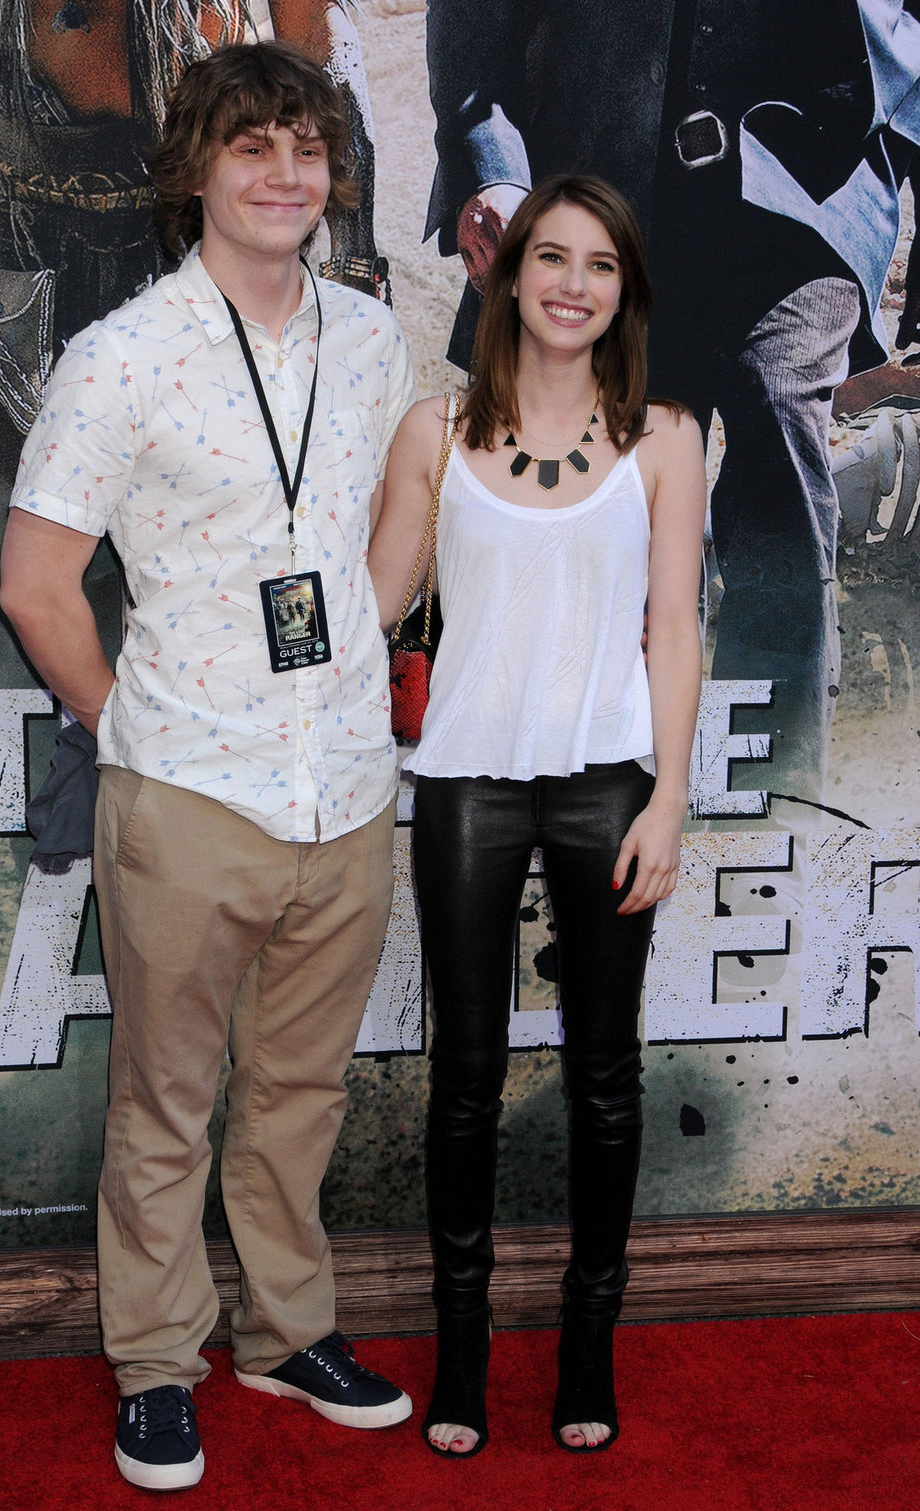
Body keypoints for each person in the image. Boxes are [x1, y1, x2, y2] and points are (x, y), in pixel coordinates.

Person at [0, 40, 415, 1491]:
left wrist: (360, 643)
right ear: (197, 171)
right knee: (166, 1103)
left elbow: (394, 508)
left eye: (307, 148)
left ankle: (288, 1328)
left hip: (348, 785)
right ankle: (157, 1360)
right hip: (187, 784)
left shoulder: (373, 339)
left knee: (300, 1091)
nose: (287, 173)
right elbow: (37, 584)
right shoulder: (121, 357)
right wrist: (132, 728)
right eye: (255, 147)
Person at [369, 175, 705, 1455]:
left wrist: (670, 795)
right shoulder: (435, 427)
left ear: (624, 290)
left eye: (600, 264)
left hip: (608, 778)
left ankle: (585, 1347)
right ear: (506, 274)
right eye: (549, 256)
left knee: (604, 1076)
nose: (572, 282)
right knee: (465, 1072)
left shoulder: (664, 435)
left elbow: (671, 628)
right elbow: (378, 601)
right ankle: (462, 1352)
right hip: (466, 775)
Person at [423, 0, 920, 801]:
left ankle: (765, 813)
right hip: (595, 169)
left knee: (780, 432)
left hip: (805, 180)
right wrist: (494, 169)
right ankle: (606, 818)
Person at [0, 0, 388, 685]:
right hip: (6, 239)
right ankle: (36, 782)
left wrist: (355, 267)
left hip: (189, 227)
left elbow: (320, 29)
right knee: (14, 616)